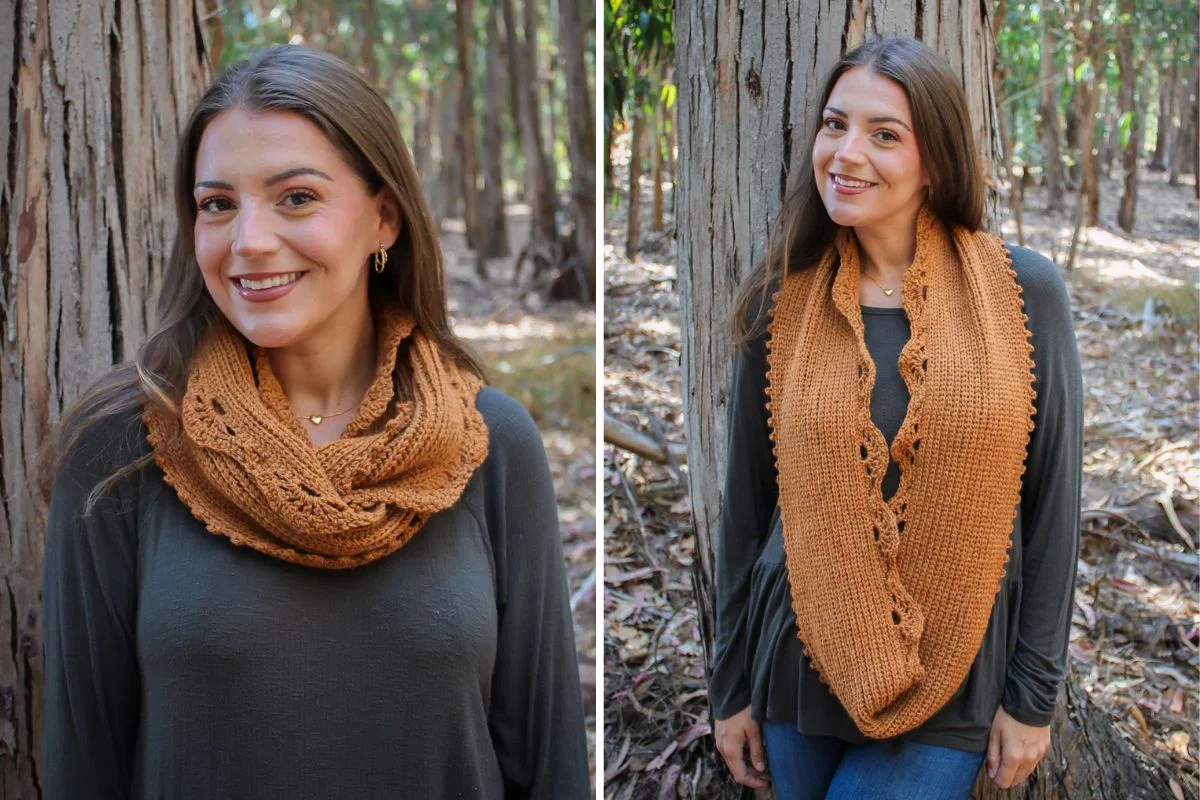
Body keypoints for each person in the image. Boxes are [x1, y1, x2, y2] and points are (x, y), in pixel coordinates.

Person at [41, 45, 590, 799]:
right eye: (217, 204)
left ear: (384, 218)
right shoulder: (122, 449)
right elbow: (83, 769)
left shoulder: (489, 444)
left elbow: (548, 760)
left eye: (296, 197)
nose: (249, 242)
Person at [709, 37, 1082, 800]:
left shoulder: (1024, 294)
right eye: (834, 124)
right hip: (798, 666)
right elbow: (746, 513)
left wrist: (1032, 698)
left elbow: (1054, 509)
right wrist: (729, 690)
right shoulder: (781, 303)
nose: (847, 154)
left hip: (958, 677)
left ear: (935, 162)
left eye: (885, 134)